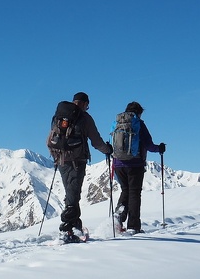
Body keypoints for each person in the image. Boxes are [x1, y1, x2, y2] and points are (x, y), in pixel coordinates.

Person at [47, 92, 113, 242]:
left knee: (71, 192)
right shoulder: (84, 117)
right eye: (87, 105)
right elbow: (96, 141)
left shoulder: (59, 116)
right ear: (84, 103)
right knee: (73, 194)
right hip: (77, 160)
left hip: (61, 159)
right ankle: (67, 228)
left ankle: (75, 224)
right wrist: (107, 150)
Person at [112, 102, 166, 234]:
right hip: (135, 164)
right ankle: (133, 226)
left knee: (125, 191)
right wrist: (159, 148)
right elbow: (148, 144)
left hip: (118, 163)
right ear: (139, 112)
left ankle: (117, 218)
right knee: (135, 194)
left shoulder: (117, 123)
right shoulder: (139, 124)